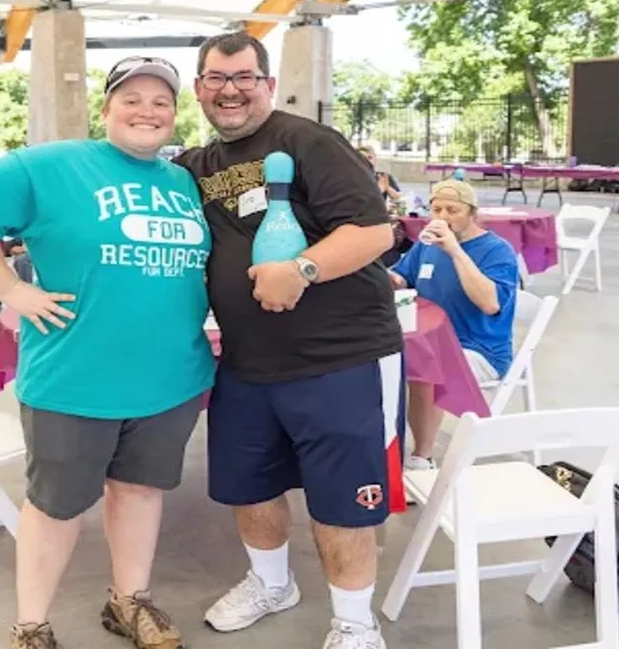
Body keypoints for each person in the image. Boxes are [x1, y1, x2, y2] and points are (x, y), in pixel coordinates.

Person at [0, 57, 214, 649]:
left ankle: (128, 601)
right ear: (106, 109)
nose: (147, 111)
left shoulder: (183, 183)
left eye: (161, 102)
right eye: (131, 99)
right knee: (56, 507)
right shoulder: (52, 165)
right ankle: (32, 626)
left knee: (139, 490)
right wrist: (10, 289)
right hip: (75, 379)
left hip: (171, 378)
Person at [175, 32, 402, 649]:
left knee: (343, 500)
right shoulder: (195, 168)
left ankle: (355, 623)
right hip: (246, 363)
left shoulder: (308, 141)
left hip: (340, 358)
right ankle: (273, 584)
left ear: (268, 84)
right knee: (249, 485)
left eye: (244, 77)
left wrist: (302, 269)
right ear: (199, 89)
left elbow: (373, 232)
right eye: (217, 78)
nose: (230, 90)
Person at [387, 179, 518, 469]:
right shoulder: (426, 245)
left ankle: (422, 457)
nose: (443, 217)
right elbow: (403, 277)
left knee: (428, 368)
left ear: (472, 213)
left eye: (452, 210)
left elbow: (490, 303)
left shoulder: (497, 251)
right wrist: (389, 279)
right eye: (436, 210)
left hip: (478, 347)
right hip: (428, 339)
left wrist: (455, 251)